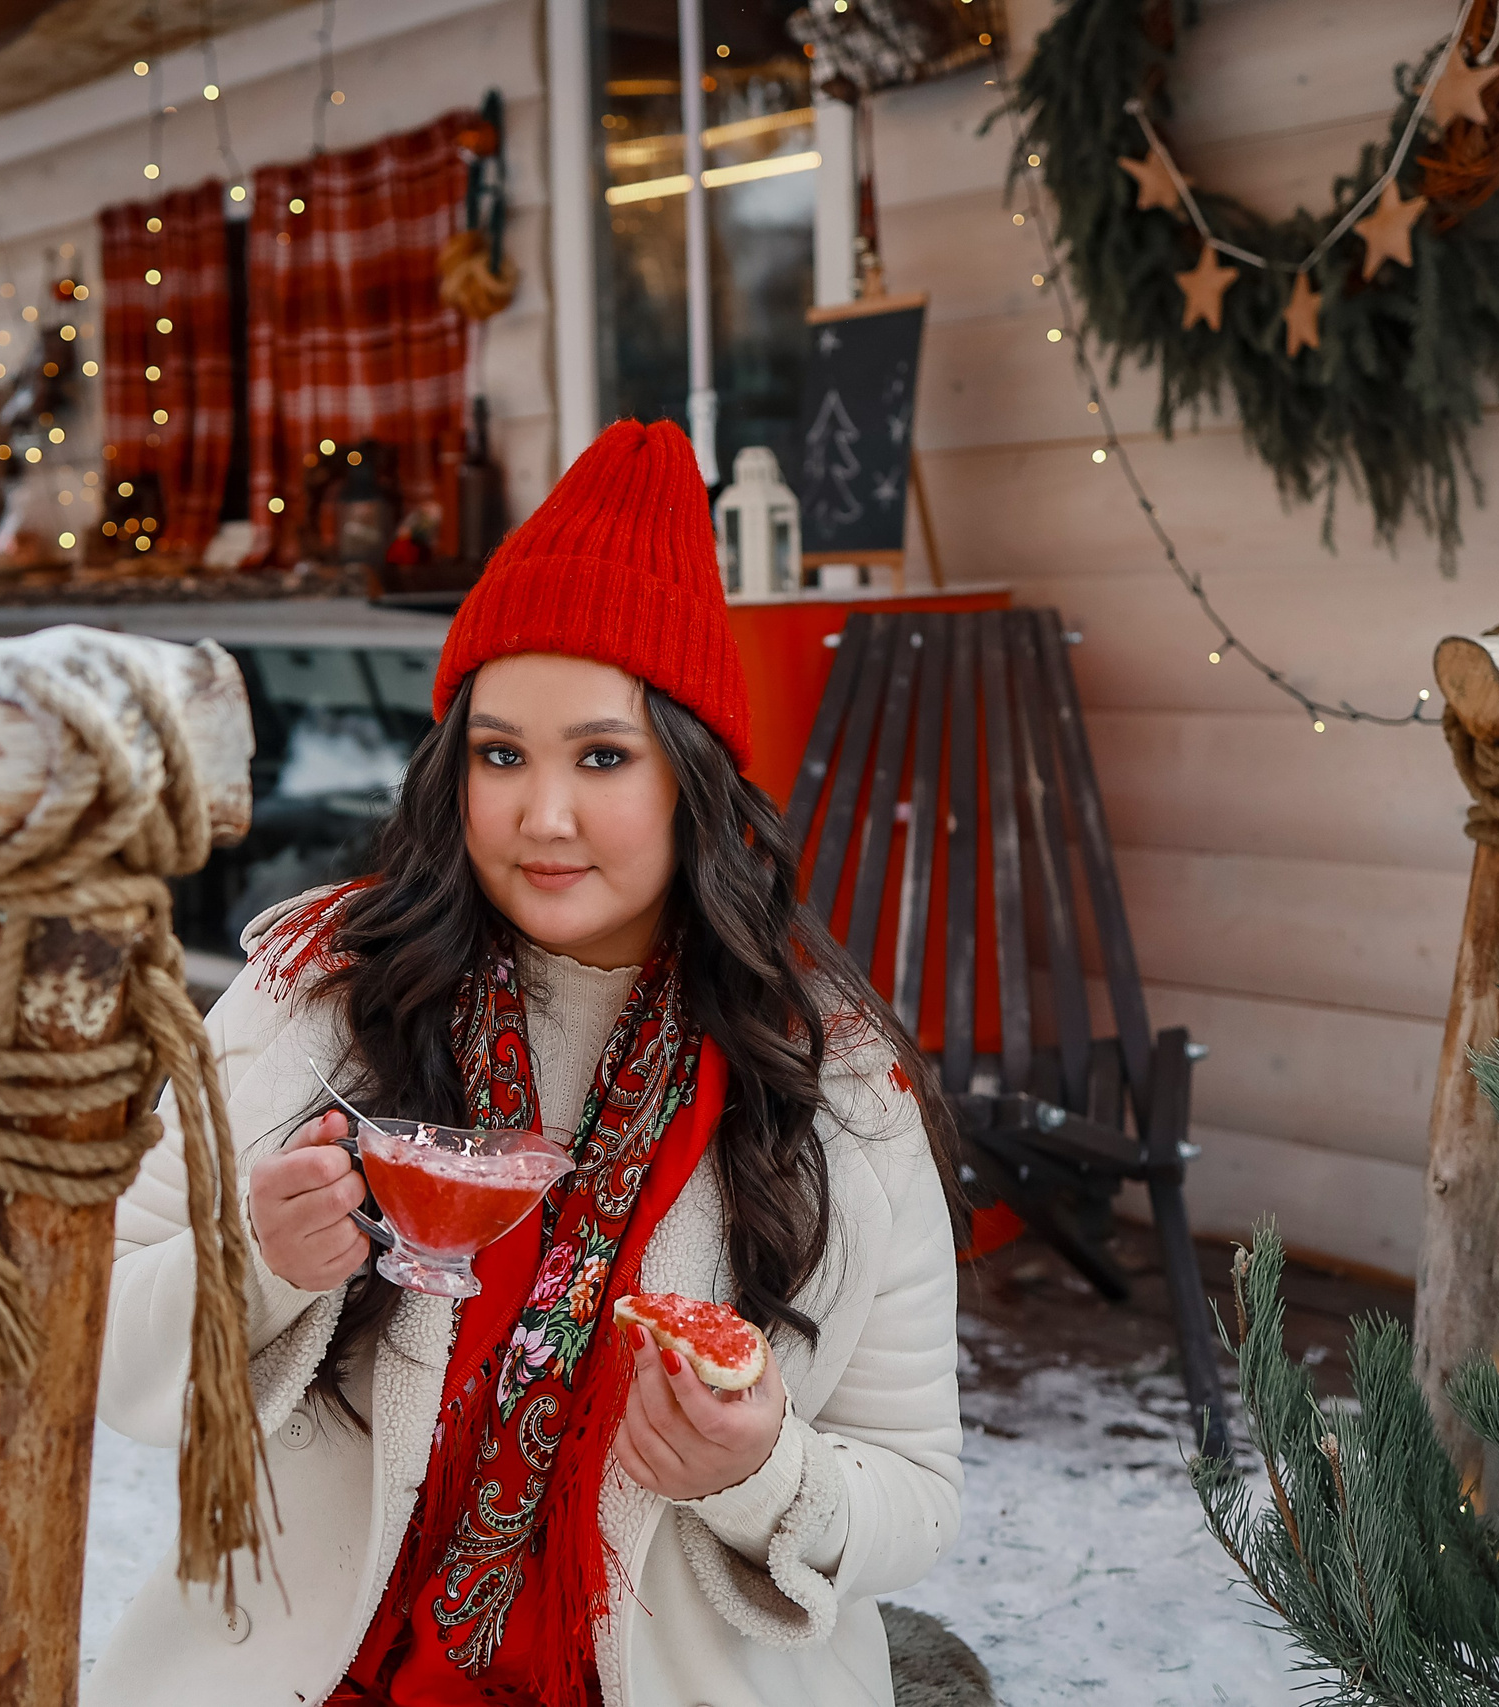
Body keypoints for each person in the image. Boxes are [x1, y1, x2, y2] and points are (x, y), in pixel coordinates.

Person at [91, 419, 964, 1707]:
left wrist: (765, 1471)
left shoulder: (829, 1082)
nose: (540, 817)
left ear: (693, 781)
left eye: (602, 757)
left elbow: (920, 1494)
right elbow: (95, 1341)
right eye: (501, 754)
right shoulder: (311, 1001)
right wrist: (255, 1270)